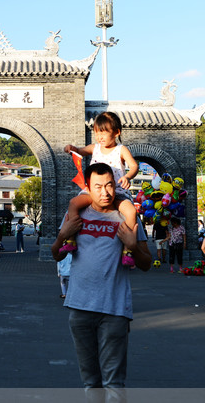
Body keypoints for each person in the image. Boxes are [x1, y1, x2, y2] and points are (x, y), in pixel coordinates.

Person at [51, 162, 152, 388]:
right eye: (97, 187)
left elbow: (146, 264)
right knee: (90, 382)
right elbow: (56, 255)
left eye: (109, 185)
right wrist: (62, 236)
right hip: (79, 308)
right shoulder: (76, 216)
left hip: (114, 311)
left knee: (113, 382)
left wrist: (132, 246)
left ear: (115, 185)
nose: (104, 192)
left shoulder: (126, 218)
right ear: (87, 187)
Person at [63, 111, 141, 266]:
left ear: (117, 132)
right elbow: (79, 151)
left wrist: (127, 177)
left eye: (104, 132)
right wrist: (71, 148)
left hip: (117, 191)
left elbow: (134, 166)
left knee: (131, 212)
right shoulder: (95, 148)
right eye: (97, 132)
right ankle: (70, 239)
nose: (100, 137)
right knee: (73, 204)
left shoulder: (121, 150)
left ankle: (127, 250)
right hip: (93, 192)